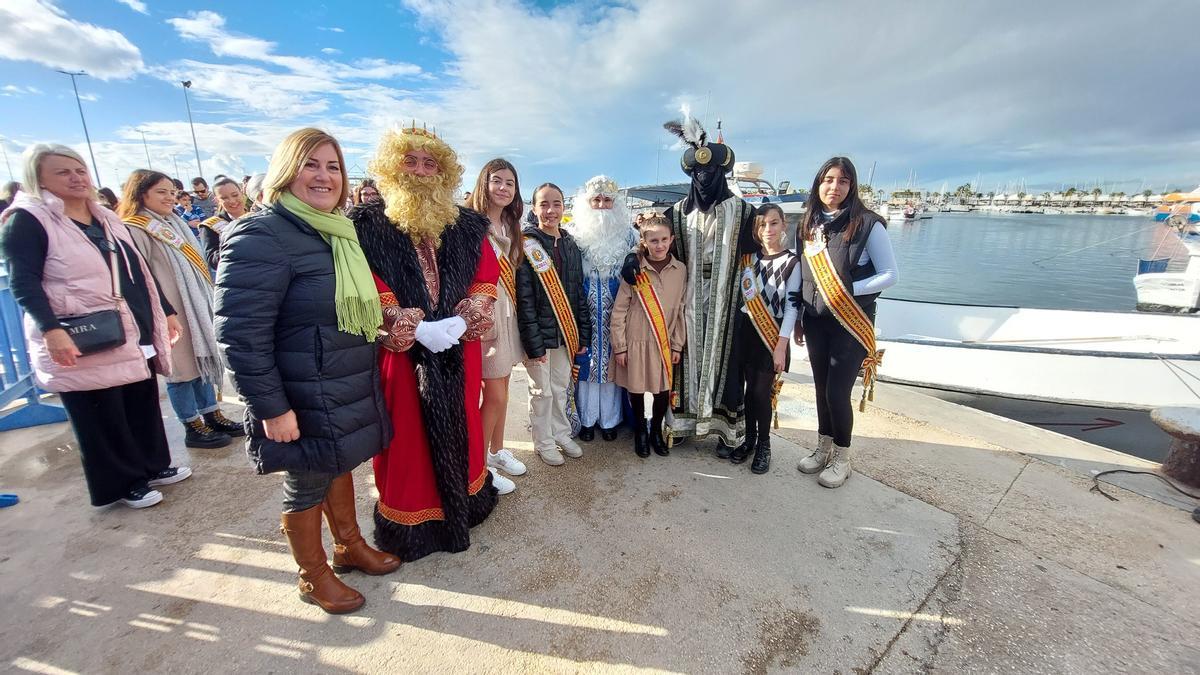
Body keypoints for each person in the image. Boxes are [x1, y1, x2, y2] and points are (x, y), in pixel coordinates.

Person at [216, 127, 399, 614]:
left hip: (338, 379)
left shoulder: (333, 231)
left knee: (338, 463)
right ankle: (313, 575)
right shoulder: (261, 234)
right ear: (284, 171)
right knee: (305, 478)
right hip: (300, 388)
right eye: (310, 164)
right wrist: (272, 407)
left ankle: (349, 547)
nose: (324, 176)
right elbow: (241, 334)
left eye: (333, 166)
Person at [0, 144, 186, 509]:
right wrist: (51, 329)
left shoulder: (105, 217)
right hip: (81, 329)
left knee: (140, 399)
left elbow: (138, 273)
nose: (76, 178)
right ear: (38, 179)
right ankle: (122, 483)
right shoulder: (29, 220)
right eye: (63, 172)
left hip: (129, 326)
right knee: (101, 410)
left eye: (80, 169)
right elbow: (25, 281)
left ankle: (152, 465)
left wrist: (164, 310)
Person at [349, 125, 499, 561]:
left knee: (464, 426)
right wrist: (409, 325)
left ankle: (467, 504)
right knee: (407, 437)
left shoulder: (468, 226)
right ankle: (412, 523)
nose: (419, 170)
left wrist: (465, 315)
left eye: (429, 163)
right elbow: (363, 282)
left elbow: (486, 275)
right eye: (409, 161)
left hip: (459, 349)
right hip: (402, 354)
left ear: (443, 172)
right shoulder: (364, 225)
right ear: (391, 169)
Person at [622, 107, 757, 456]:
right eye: (697, 171)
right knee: (680, 364)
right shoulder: (677, 213)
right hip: (685, 301)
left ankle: (726, 431)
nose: (704, 177)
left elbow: (766, 250)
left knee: (725, 365)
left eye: (711, 170)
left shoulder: (743, 212)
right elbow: (652, 246)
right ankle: (679, 424)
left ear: (722, 172)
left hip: (726, 302)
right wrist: (629, 258)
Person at [793, 157, 898, 488]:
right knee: (821, 389)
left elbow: (890, 275)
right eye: (828, 180)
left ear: (851, 187)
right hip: (815, 321)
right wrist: (796, 317)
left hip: (850, 322)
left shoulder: (868, 224)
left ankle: (842, 456)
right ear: (818, 183)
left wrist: (847, 292)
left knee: (838, 393)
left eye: (842, 181)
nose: (833, 187)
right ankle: (823, 447)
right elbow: (801, 273)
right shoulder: (807, 224)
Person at [119, 170, 240, 449]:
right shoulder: (135, 227)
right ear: (141, 193)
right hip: (168, 309)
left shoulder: (173, 222)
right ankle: (191, 423)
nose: (170, 197)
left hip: (192, 306)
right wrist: (163, 310)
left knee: (200, 359)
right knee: (180, 369)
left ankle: (211, 413)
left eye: (172, 191)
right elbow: (138, 275)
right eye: (161, 192)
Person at [517, 183, 592, 466]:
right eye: (544, 204)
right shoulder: (527, 244)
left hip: (565, 332)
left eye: (557, 203)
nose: (550, 210)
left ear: (564, 207)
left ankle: (560, 433)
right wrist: (532, 341)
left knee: (560, 387)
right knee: (542, 391)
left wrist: (582, 334)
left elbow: (577, 293)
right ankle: (543, 441)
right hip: (539, 333)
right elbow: (523, 298)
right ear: (534, 209)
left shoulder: (570, 244)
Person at [466, 158, 528, 494]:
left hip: (509, 314)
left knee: (504, 392)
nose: (503, 188)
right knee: (494, 395)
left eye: (510, 183)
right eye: (497, 181)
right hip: (484, 319)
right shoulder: (469, 224)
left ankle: (496, 450)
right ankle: (478, 465)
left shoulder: (510, 224)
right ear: (484, 184)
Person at [727, 203, 800, 474]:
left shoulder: (793, 262)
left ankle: (764, 446)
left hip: (772, 334)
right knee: (748, 392)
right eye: (762, 224)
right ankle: (749, 439)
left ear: (783, 225)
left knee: (761, 393)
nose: (768, 229)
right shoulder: (748, 259)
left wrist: (782, 345)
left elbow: (793, 306)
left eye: (773, 223)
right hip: (747, 330)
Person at [611, 215, 686, 458]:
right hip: (635, 341)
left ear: (672, 240)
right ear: (643, 241)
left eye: (664, 239)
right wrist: (620, 346)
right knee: (636, 389)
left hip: (663, 342)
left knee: (661, 391)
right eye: (653, 240)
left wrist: (677, 344)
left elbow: (681, 308)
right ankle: (641, 431)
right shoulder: (634, 270)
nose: (659, 245)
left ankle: (655, 430)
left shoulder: (680, 269)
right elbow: (620, 309)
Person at [571, 175, 637, 441]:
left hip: (617, 313)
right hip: (584, 313)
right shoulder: (574, 234)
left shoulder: (630, 235)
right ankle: (586, 419)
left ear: (616, 203)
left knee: (612, 365)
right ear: (587, 203)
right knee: (586, 364)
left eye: (607, 200)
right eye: (596, 200)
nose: (601, 205)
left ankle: (609, 420)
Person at [198, 176, 249, 271]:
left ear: (242, 193)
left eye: (235, 195)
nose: (232, 201)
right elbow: (213, 261)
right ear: (217, 200)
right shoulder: (210, 226)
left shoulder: (257, 216)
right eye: (224, 198)